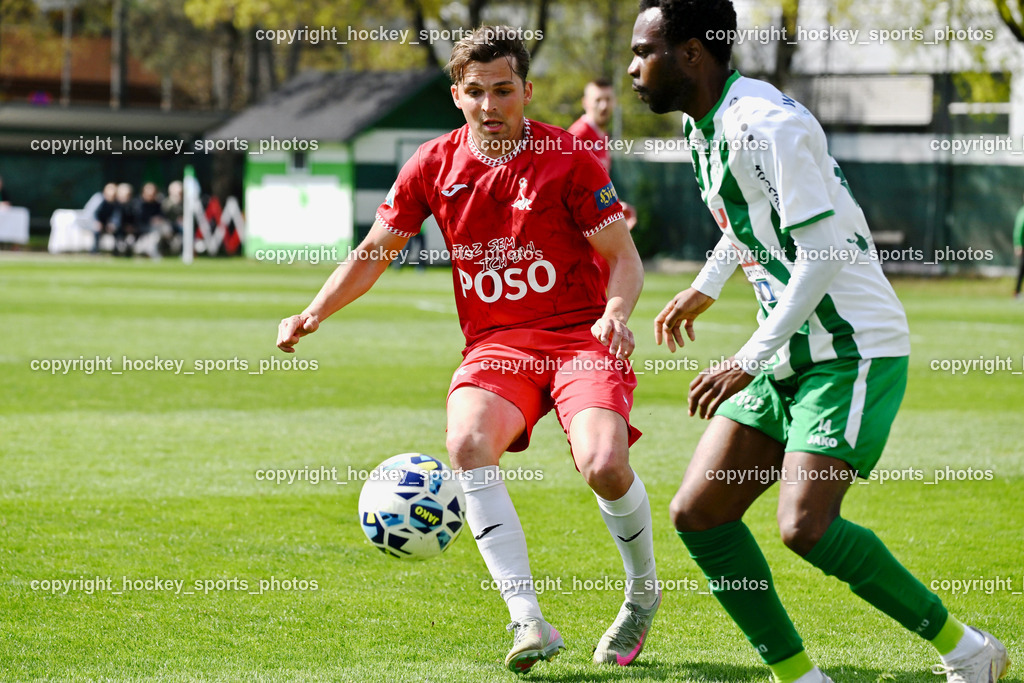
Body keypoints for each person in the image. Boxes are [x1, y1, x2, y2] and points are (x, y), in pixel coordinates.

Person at [628, 2, 1010, 683]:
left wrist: (747, 358)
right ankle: (801, 677)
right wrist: (708, 282)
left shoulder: (765, 123)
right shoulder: (703, 124)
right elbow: (750, 217)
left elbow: (824, 250)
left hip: (851, 346)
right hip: (790, 350)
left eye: (643, 51)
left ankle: (968, 650)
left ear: (691, 54)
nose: (632, 68)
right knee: (700, 513)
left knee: (805, 525)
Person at [278, 25, 660, 673]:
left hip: (578, 337)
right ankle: (526, 618)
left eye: (503, 90)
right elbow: (376, 251)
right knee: (467, 444)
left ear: (526, 91)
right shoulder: (432, 163)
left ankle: (642, 590)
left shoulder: (570, 157)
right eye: (476, 92)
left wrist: (617, 312)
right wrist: (315, 310)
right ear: (457, 95)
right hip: (497, 345)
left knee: (602, 462)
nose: (491, 105)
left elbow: (622, 256)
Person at [568, 80, 638, 230]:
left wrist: (616, 205)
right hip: (581, 228)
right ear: (585, 103)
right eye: (598, 100)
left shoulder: (601, 134)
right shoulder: (578, 136)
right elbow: (577, 190)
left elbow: (596, 184)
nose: (604, 106)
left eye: (608, 99)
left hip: (596, 223)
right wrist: (611, 207)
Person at [1014, 192, 1024, 298]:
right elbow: (1018, 229)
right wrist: (1018, 244)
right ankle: (1017, 292)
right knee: (1022, 270)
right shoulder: (1023, 212)